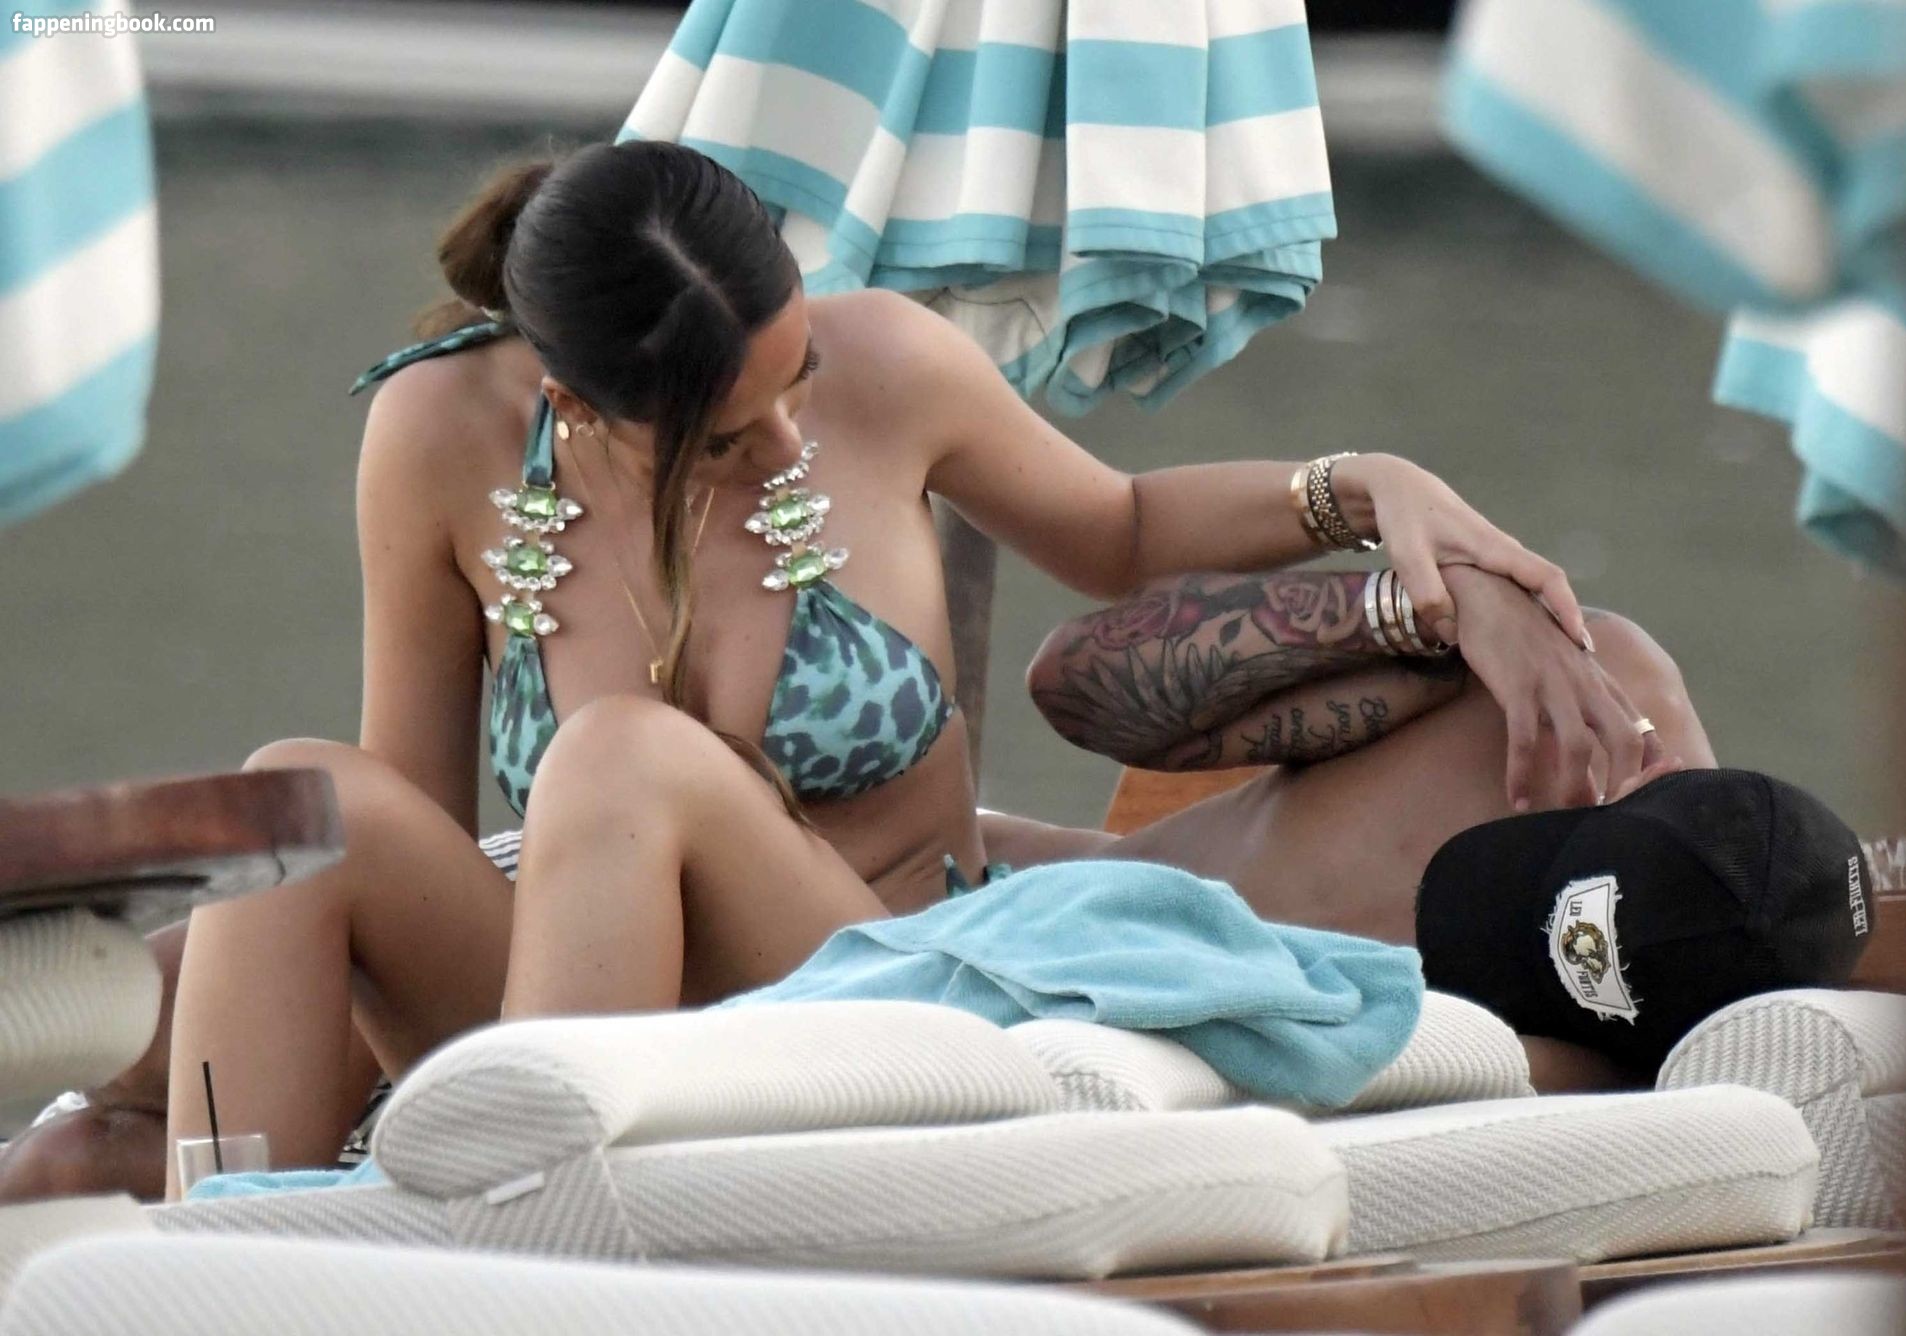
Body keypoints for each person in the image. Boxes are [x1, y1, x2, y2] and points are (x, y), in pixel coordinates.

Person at [3, 140, 1709, 1203]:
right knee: (294, 801)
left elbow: (1119, 529)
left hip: (865, 969)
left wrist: (1367, 490)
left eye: (798, 372)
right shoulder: (436, 434)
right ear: (580, 405)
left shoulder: (893, 364)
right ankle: (248, 1249)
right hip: (564, 983)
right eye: (736, 433)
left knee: (619, 751)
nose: (792, 435)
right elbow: (416, 810)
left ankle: (521, 1235)